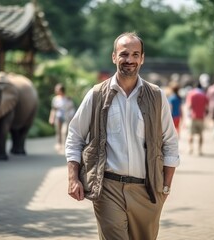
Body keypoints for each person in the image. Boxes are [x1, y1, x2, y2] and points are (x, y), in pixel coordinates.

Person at [65, 32, 180, 240]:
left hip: (147, 190)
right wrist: (73, 178)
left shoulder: (156, 96)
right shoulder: (96, 94)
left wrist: (165, 188)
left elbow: (170, 142)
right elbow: (75, 136)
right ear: (114, 57)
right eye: (124, 54)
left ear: (142, 58)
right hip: (108, 188)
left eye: (135, 54)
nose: (129, 60)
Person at [49, 83, 75, 151]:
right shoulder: (55, 99)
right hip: (58, 116)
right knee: (58, 131)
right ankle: (59, 144)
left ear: (61, 90)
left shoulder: (68, 99)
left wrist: (72, 117)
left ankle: (64, 145)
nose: (56, 91)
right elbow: (53, 109)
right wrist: (51, 118)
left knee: (64, 131)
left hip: (66, 117)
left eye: (57, 89)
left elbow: (71, 108)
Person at [186, 81, 209, 155]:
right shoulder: (204, 95)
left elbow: (189, 106)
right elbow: (207, 108)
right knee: (201, 134)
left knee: (191, 134)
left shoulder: (191, 94)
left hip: (193, 117)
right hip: (201, 117)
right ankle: (200, 150)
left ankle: (190, 148)